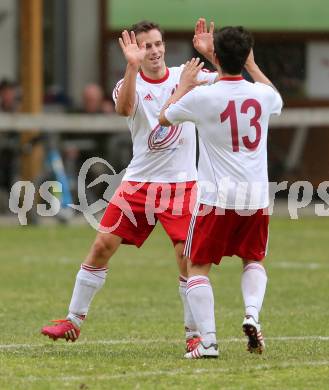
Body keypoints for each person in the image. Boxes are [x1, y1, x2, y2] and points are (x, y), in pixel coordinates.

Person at [41, 20, 217, 352]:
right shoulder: (127, 82)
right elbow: (124, 108)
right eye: (146, 46)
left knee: (186, 256)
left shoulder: (187, 74)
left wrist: (210, 54)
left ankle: (192, 334)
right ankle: (73, 321)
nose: (153, 50)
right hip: (138, 183)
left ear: (165, 45)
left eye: (157, 44)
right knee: (101, 247)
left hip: (181, 185)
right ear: (136, 50)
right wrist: (132, 66)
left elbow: (228, 81)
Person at [159, 25, 283, 358]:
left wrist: (183, 84)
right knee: (254, 259)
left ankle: (209, 342)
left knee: (197, 266)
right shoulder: (263, 95)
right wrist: (251, 64)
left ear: (218, 57)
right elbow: (275, 96)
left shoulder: (203, 97)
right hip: (255, 197)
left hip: (216, 199)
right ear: (246, 55)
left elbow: (165, 117)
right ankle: (252, 314)